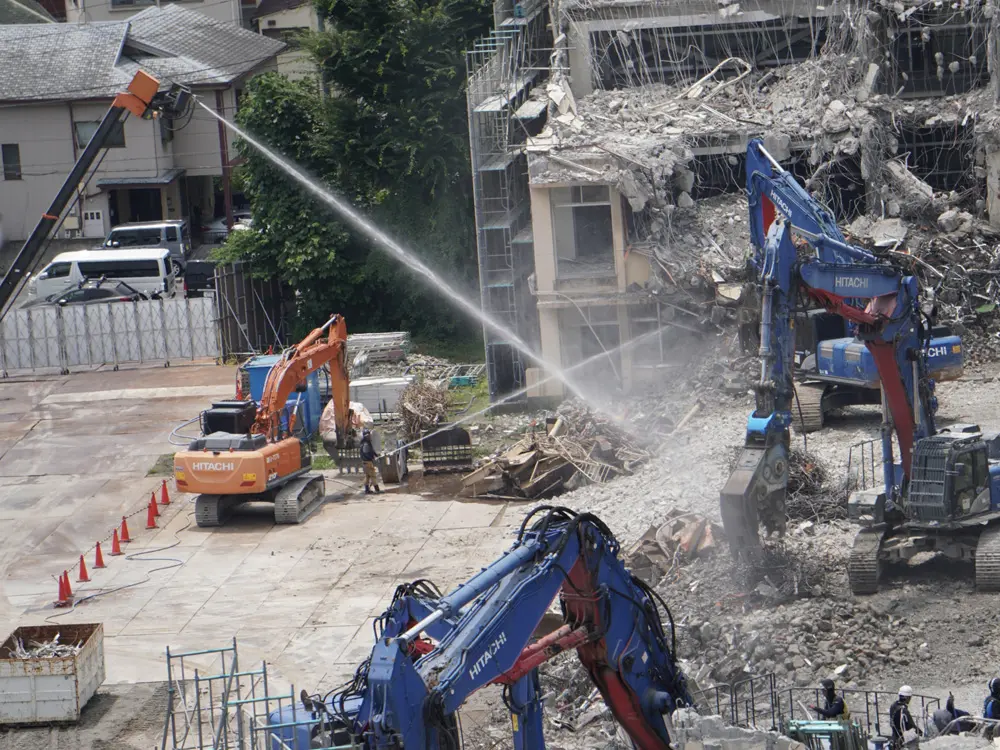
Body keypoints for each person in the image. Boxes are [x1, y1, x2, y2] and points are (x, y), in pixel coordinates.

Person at [359, 428, 380, 495]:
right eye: (367, 436)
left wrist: (376, 455)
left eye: (369, 435)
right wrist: (372, 458)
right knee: (373, 476)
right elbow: (367, 454)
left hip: (365, 463)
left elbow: (372, 451)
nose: (369, 436)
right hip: (368, 463)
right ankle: (377, 490)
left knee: (367, 477)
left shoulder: (366, 443)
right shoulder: (366, 444)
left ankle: (367, 490)